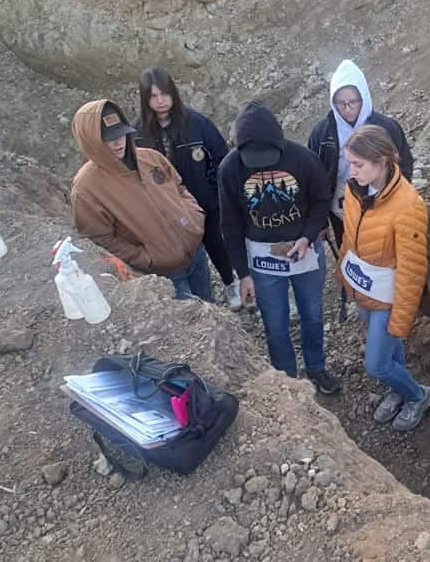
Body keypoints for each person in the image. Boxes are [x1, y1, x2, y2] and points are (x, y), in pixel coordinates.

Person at [308, 59, 430, 326]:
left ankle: (424, 307)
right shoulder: (322, 133)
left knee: (401, 260)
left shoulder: (386, 127)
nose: (348, 109)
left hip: (386, 210)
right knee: (359, 260)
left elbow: (404, 162)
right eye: (341, 103)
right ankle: (374, 312)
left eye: (354, 102)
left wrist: (391, 199)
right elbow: (315, 176)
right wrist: (320, 219)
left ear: (364, 97)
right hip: (344, 211)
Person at [218, 100, 342, 394]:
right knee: (275, 325)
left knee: (312, 314)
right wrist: (243, 274)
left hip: (304, 251)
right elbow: (230, 226)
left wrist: (308, 236)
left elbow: (321, 199)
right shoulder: (229, 169)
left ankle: (316, 368)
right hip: (263, 260)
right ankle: (288, 381)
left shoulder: (303, 158)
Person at [337, 125, 430, 431]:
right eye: (349, 163)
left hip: (388, 295)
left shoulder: (408, 206)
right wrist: (344, 271)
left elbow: (412, 269)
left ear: (381, 161)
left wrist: (402, 320)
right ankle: (399, 388)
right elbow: (349, 238)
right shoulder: (356, 188)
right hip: (363, 286)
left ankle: (418, 395)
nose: (350, 171)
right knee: (389, 353)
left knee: (376, 363)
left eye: (357, 164)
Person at [70, 99, 213, 302]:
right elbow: (100, 239)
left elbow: (180, 187)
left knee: (210, 304)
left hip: (195, 253)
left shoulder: (151, 158)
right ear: (91, 141)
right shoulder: (86, 189)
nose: (118, 142)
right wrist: (147, 259)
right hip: (162, 273)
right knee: (190, 323)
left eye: (120, 133)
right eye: (108, 138)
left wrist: (194, 221)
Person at [134, 67, 241, 310]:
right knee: (185, 252)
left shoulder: (197, 123)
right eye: (153, 96)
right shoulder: (139, 134)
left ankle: (229, 282)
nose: (160, 101)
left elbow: (221, 159)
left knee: (216, 242)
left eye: (164, 94)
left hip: (204, 202)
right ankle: (198, 299)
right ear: (145, 99)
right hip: (167, 209)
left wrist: (213, 193)